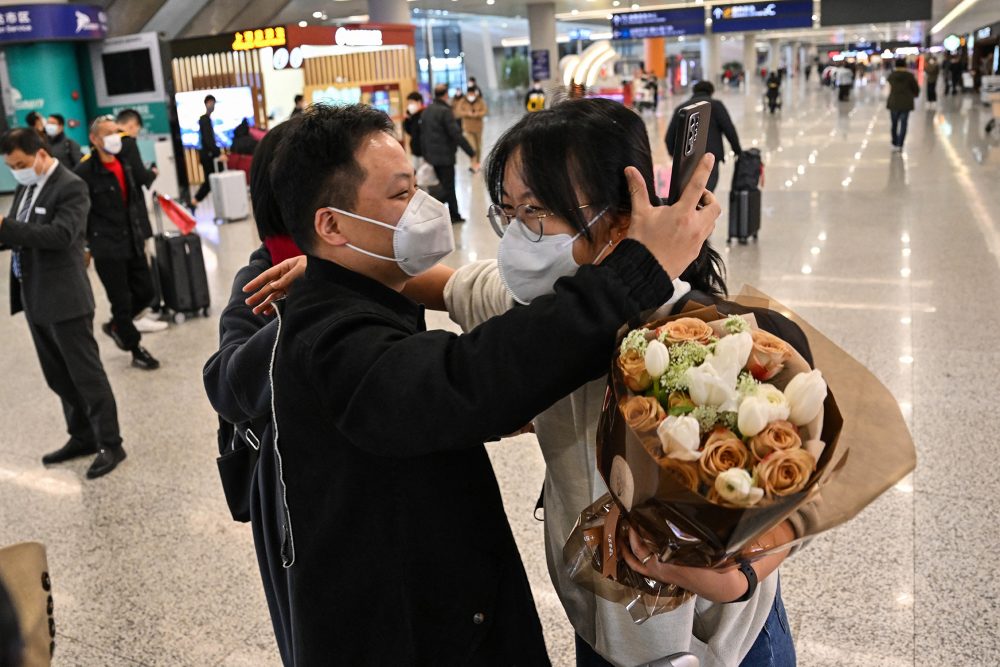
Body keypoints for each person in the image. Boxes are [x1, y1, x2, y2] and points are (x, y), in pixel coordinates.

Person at [212, 102, 717, 664]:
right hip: (428, 630)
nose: (425, 207)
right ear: (331, 225)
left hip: (691, 637)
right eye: (401, 194)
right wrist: (636, 270)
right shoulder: (330, 337)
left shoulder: (692, 338)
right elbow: (469, 377)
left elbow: (470, 319)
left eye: (538, 210)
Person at [0, 128, 126, 478]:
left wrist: (4, 226)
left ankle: (111, 443)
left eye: (22, 163)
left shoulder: (70, 185)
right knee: (57, 376)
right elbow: (18, 232)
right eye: (11, 166)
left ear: (41, 152)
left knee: (86, 376)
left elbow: (61, 235)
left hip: (66, 299)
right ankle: (82, 435)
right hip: (35, 296)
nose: (17, 171)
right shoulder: (27, 185)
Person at [75, 116, 160, 370]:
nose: (115, 137)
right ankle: (135, 348)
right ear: (94, 139)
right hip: (107, 247)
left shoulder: (125, 163)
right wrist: (86, 246)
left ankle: (117, 325)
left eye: (117, 132)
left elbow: (133, 203)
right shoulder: (85, 172)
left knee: (146, 292)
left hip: (132, 241)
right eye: (108, 133)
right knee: (121, 300)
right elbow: (81, 213)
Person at [666, 81, 742, 192]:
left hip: (687, 160)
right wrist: (738, 151)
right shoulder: (716, 105)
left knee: (688, 195)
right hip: (710, 158)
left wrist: (677, 157)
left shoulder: (681, 108)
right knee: (706, 194)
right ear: (711, 92)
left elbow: (669, 137)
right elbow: (729, 129)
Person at [420, 83, 478, 223]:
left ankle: (443, 214)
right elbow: (455, 134)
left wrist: (426, 155)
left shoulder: (427, 111)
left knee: (440, 186)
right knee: (448, 188)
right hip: (445, 156)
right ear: (446, 95)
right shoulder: (445, 111)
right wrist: (471, 152)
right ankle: (452, 215)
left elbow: (423, 135)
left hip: (432, 157)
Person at [190, 94, 222, 212]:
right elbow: (209, 140)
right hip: (208, 156)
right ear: (207, 103)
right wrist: (218, 154)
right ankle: (194, 202)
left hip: (207, 155)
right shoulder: (205, 120)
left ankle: (194, 202)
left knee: (210, 182)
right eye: (211, 102)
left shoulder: (206, 119)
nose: (212, 105)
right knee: (210, 182)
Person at [453, 85, 488, 171]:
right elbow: (458, 112)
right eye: (470, 93)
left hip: (478, 128)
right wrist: (467, 113)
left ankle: (478, 163)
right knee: (472, 147)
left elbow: (485, 111)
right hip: (467, 128)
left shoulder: (480, 101)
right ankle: (473, 165)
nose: (471, 95)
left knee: (478, 146)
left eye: (472, 93)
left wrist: (477, 114)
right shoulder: (463, 101)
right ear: (468, 93)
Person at [886, 61, 920, 152]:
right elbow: (916, 88)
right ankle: (900, 144)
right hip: (906, 102)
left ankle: (894, 142)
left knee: (894, 124)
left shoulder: (892, 76)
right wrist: (915, 94)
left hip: (894, 102)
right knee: (903, 124)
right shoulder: (909, 76)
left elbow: (888, 86)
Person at [401, 91, 425, 166]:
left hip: (425, 153)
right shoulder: (413, 116)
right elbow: (409, 132)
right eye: (408, 103)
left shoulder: (425, 114)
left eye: (411, 102)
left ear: (419, 102)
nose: (409, 105)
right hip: (415, 151)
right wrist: (406, 120)